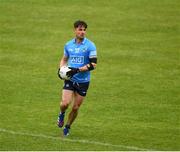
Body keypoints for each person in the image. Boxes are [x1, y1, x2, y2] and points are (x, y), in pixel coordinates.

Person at [57, 20, 97, 136]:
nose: (82, 32)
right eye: (80, 29)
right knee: (65, 103)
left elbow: (93, 64)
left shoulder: (90, 45)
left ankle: (68, 126)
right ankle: (61, 113)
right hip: (70, 79)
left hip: (83, 81)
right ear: (75, 30)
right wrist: (61, 70)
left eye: (84, 30)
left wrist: (77, 70)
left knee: (75, 107)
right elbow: (64, 59)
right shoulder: (68, 45)